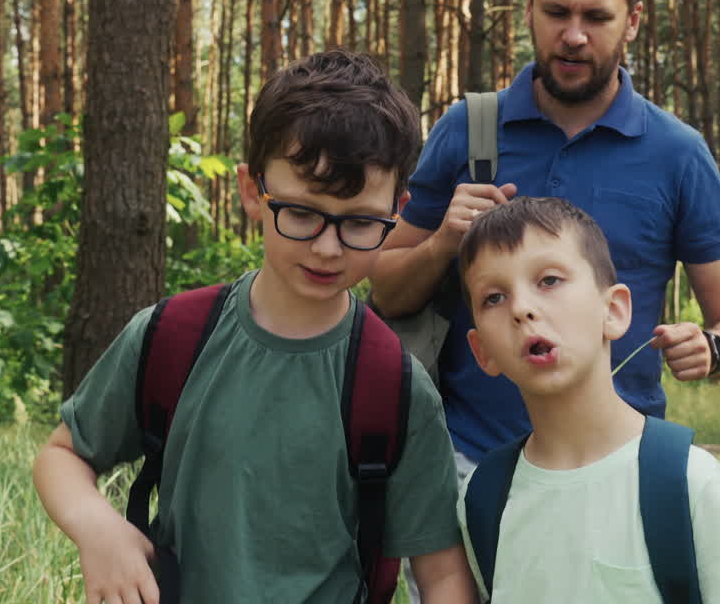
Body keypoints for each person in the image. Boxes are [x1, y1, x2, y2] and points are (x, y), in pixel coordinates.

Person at [32, 50, 476, 604]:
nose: (326, 246)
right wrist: (97, 528)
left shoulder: (396, 388)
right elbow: (63, 456)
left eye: (360, 221)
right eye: (302, 212)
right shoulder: (171, 338)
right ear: (251, 192)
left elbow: (442, 575)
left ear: (397, 212)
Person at [369, 0, 720, 472]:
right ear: (529, 7)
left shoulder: (677, 152)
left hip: (624, 468)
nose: (573, 35)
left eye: (596, 17)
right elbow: (385, 292)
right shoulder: (468, 129)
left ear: (631, 21)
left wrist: (712, 346)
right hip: (468, 467)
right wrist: (440, 245)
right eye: (557, 12)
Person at [456, 196, 720, 602]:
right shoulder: (483, 497)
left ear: (615, 310)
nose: (521, 308)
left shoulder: (688, 481)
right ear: (482, 351)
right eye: (493, 298)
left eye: (549, 280)